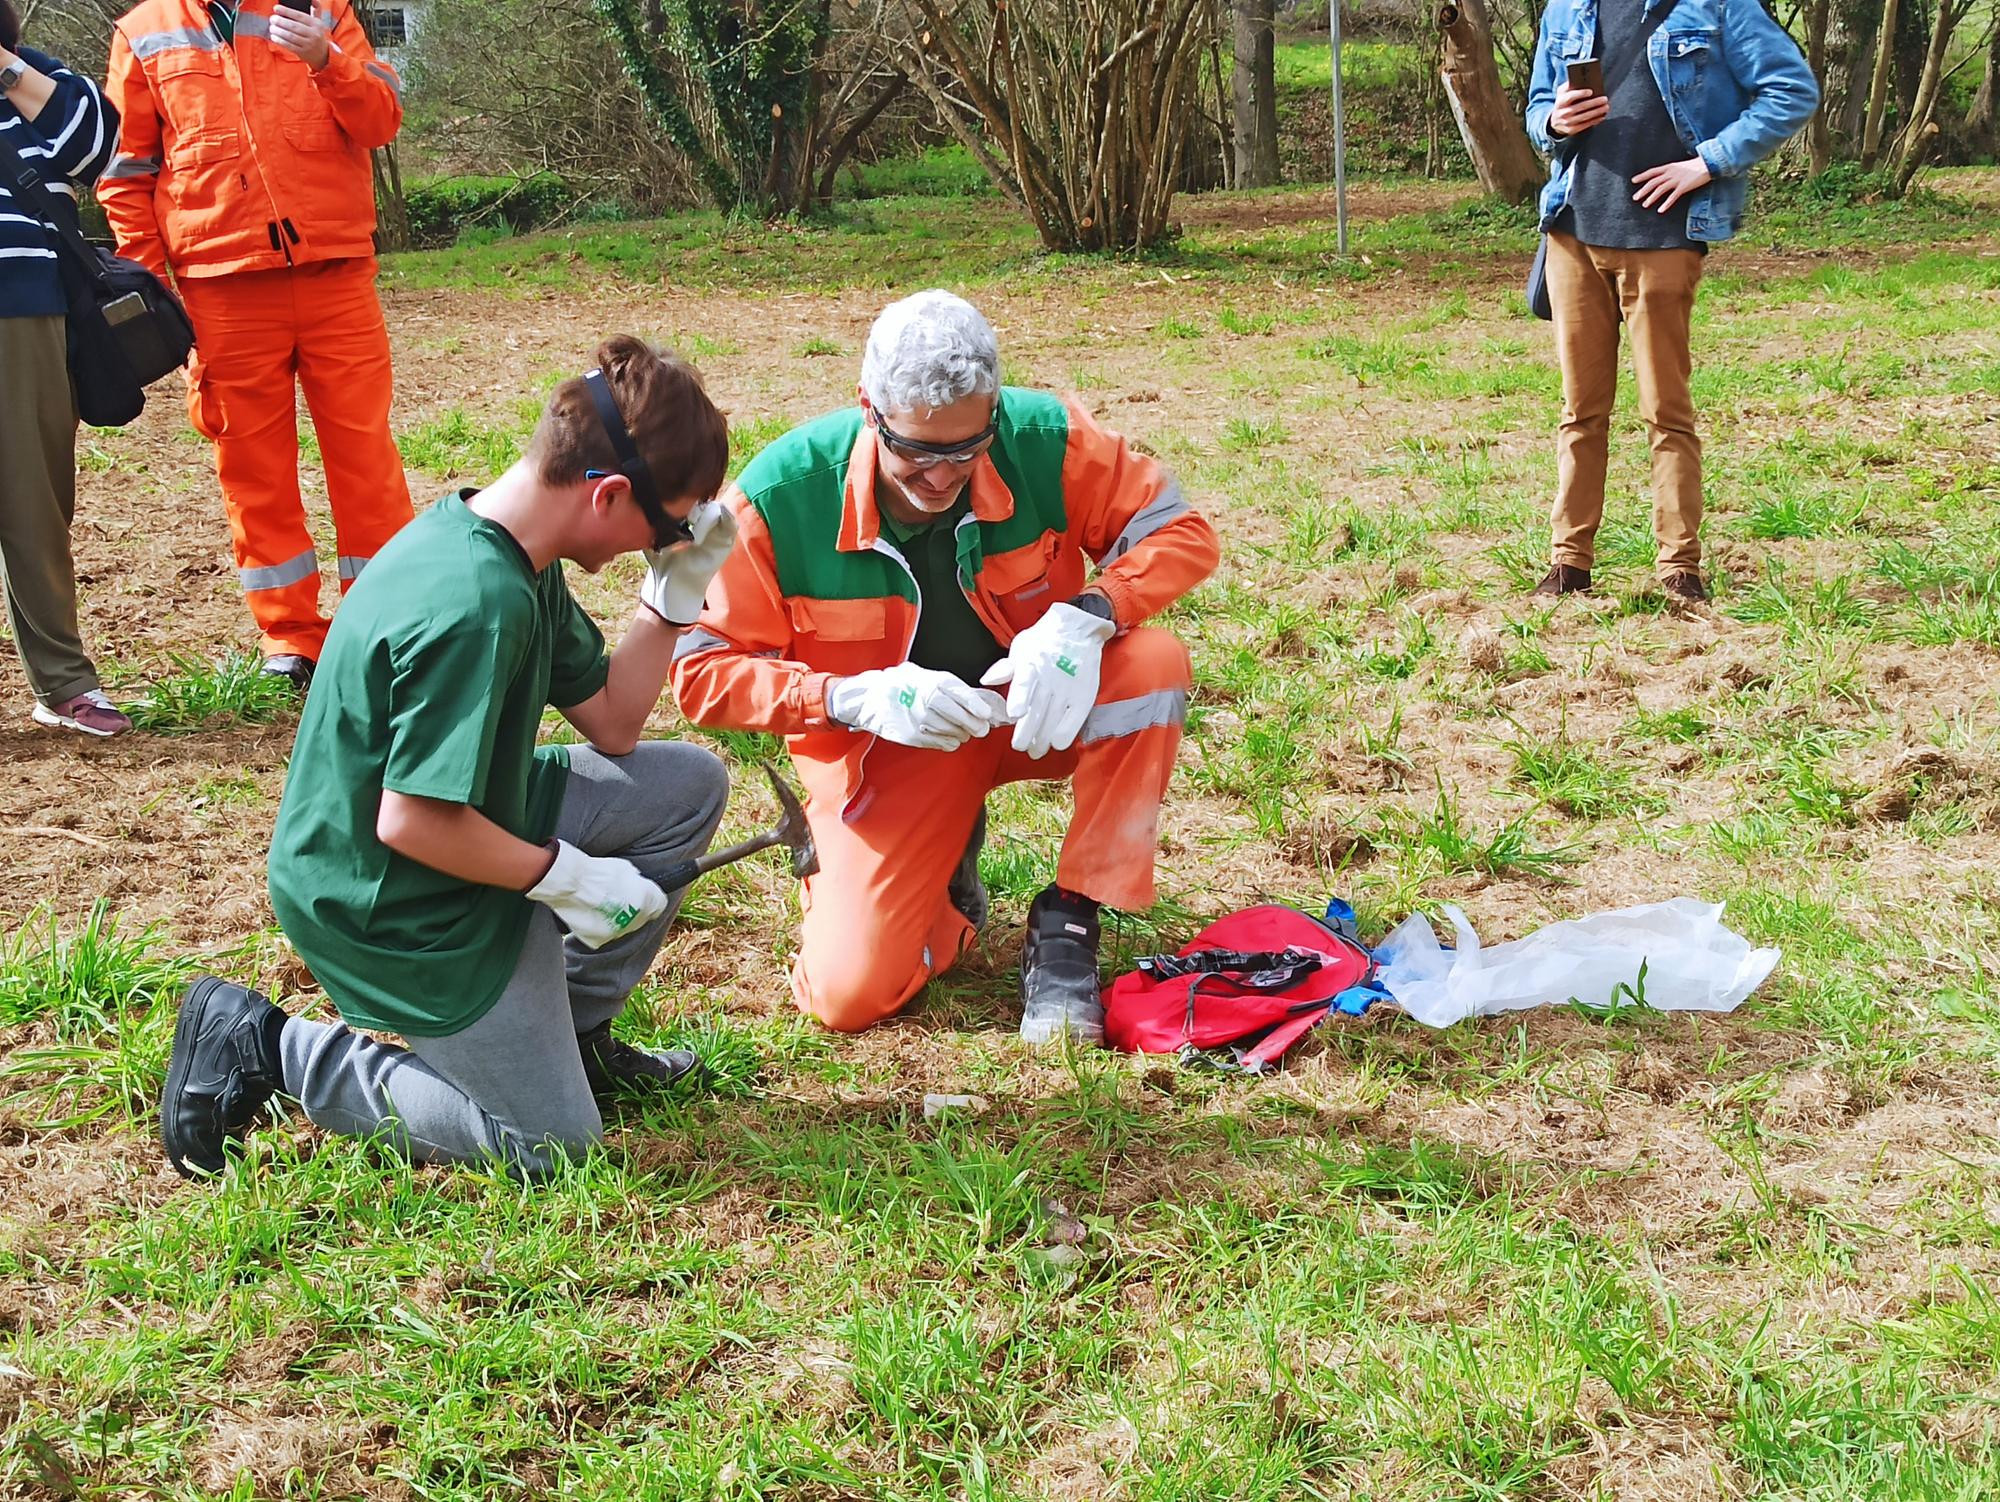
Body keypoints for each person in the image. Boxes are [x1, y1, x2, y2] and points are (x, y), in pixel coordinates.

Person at [160, 337, 740, 1181]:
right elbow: (414, 821)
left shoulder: (511, 547)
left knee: (686, 787)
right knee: (551, 1148)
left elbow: (614, 723)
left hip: (465, 825)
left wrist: (671, 597)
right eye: (663, 526)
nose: (661, 541)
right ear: (609, 494)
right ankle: (270, 1046)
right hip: (383, 897)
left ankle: (568, 1041)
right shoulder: (477, 603)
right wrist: (567, 878)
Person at [672, 290, 1219, 1045]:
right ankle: (948, 893)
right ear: (870, 409)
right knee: (848, 995)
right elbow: (701, 673)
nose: (944, 476)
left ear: (991, 411)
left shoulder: (1041, 439)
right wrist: (847, 697)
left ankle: (1070, 919)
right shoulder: (778, 500)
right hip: (885, 752)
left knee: (1153, 664)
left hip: (1032, 711)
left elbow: (1181, 531)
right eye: (919, 454)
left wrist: (1088, 616)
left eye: (967, 450)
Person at [98, 0, 414, 690]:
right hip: (219, 292)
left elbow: (381, 119)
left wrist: (327, 63)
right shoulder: (144, 32)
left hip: (335, 274)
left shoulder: (324, 10)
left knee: (366, 457)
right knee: (253, 473)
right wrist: (155, 296)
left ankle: (384, 622)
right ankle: (290, 638)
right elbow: (125, 177)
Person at [1525, 0, 1817, 601]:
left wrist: (1707, 164)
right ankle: (1569, 563)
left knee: (1666, 410)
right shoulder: (1567, 7)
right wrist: (1554, 122)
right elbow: (1535, 108)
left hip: (1662, 237)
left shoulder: (1717, 7)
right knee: (1581, 409)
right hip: (1573, 231)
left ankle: (1680, 569)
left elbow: (1791, 89)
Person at [0, 3, 130, 736]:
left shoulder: (35, 76)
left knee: (33, 505)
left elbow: (97, 146)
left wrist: (6, 67)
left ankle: (63, 683)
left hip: (23, 305)